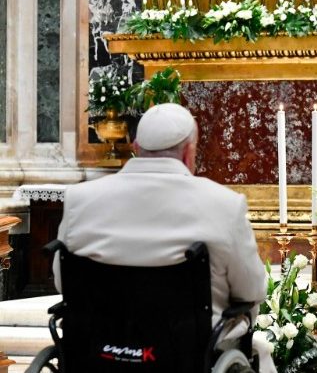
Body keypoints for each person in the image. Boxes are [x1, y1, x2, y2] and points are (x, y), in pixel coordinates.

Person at [53, 103, 267, 334]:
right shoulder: (225, 205)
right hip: (188, 349)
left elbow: (61, 282)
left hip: (99, 347)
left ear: (135, 146)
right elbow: (251, 291)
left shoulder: (79, 199)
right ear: (188, 153)